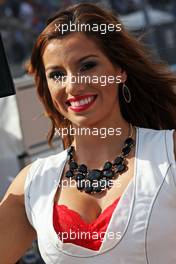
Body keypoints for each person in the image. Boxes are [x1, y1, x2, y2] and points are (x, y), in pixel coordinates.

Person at [0, 3, 176, 264]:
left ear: (119, 71)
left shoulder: (169, 152)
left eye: (88, 66)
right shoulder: (33, 183)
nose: (73, 85)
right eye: (57, 74)